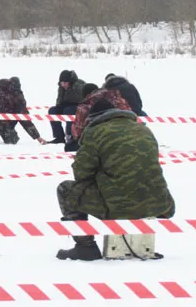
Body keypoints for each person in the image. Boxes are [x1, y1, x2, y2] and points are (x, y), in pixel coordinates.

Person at [55, 99, 176, 261]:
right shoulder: (143, 130)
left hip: (120, 205)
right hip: (161, 205)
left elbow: (81, 173)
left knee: (66, 189)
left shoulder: (96, 132)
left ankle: (85, 247)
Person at [0, 77, 47, 145]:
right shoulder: (17, 96)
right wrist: (37, 137)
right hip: (2, 125)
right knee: (12, 141)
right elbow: (24, 119)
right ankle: (7, 136)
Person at [64, 83, 132, 152]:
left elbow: (78, 132)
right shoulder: (120, 100)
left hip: (100, 141)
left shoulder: (85, 106)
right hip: (127, 136)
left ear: (86, 95)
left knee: (70, 147)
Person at [47, 70, 85, 144]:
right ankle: (59, 137)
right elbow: (59, 99)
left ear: (70, 82)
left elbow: (83, 100)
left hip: (79, 107)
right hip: (66, 106)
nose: (63, 85)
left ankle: (70, 135)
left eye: (65, 83)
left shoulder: (79, 86)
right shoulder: (61, 87)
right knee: (52, 111)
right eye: (62, 83)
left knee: (68, 111)